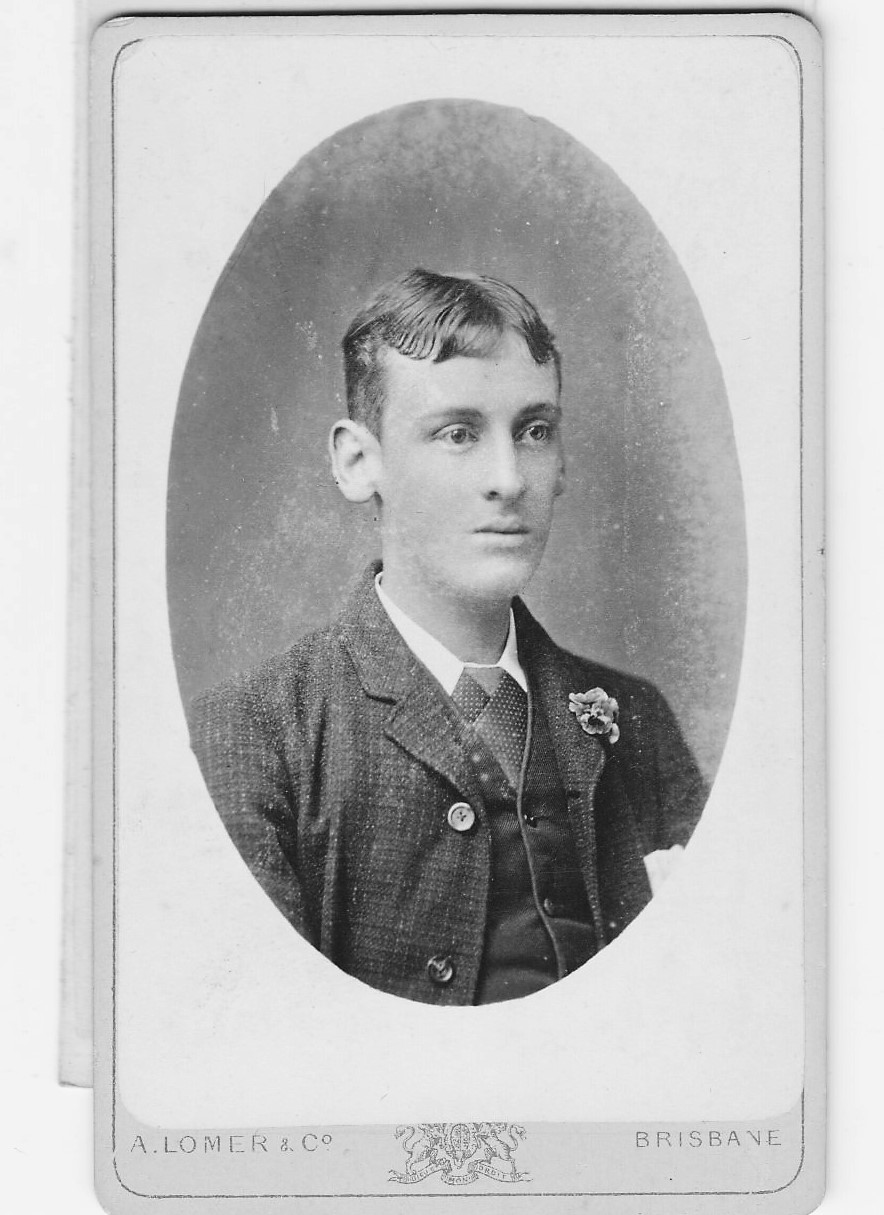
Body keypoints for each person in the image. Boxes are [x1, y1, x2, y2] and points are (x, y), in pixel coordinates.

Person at [188, 268, 707, 1006]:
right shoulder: (255, 734)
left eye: (534, 430)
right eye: (458, 434)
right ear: (358, 462)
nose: (509, 479)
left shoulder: (639, 721)